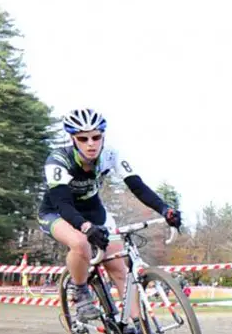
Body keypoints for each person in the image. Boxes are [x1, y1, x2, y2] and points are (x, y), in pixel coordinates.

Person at [38, 108, 181, 322]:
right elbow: (64, 204)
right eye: (83, 138)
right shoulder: (58, 160)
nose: (91, 143)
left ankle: (141, 327)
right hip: (58, 213)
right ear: (72, 139)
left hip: (94, 211)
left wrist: (164, 209)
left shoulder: (110, 155)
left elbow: (137, 187)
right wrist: (86, 228)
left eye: (96, 137)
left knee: (120, 269)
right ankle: (80, 292)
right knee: (80, 243)